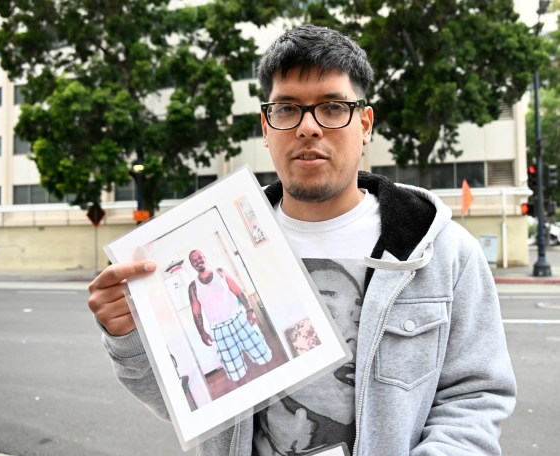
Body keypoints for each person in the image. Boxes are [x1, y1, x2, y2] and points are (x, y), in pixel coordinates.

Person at [87, 24, 516, 455]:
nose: (308, 127)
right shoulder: (221, 241)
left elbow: (475, 397)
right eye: (288, 109)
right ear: (267, 127)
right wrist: (126, 335)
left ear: (365, 124)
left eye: (332, 107)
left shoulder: (442, 252)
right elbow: (183, 403)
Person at [186, 249, 272, 382]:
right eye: (194, 260)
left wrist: (250, 310)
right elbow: (196, 312)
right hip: (219, 330)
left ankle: (274, 382)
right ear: (192, 265)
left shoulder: (220, 272)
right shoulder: (193, 287)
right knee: (234, 370)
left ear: (205, 257)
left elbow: (238, 291)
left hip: (239, 319)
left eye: (199, 257)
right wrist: (201, 332)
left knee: (261, 353)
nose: (198, 261)